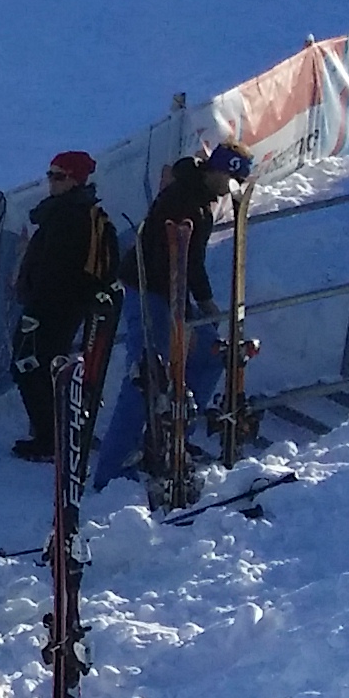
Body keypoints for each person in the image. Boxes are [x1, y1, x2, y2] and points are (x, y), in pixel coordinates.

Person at [100, 142, 251, 488]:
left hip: (171, 295)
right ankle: (112, 472)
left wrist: (198, 306)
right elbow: (175, 260)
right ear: (217, 171)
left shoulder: (198, 201)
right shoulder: (184, 202)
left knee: (212, 354)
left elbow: (189, 262)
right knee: (146, 375)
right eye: (231, 180)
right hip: (150, 291)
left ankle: (172, 433)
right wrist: (194, 306)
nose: (232, 189)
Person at [9, 151, 121, 464]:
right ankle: (57, 432)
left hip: (53, 308)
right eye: (50, 174)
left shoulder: (71, 214)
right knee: (38, 366)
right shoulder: (67, 210)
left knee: (30, 365)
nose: (51, 181)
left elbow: (58, 270)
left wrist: (37, 303)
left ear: (74, 179)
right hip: (57, 305)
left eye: (59, 176)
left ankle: (52, 438)